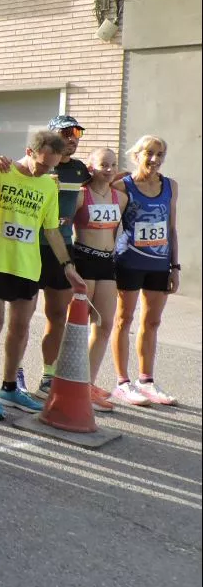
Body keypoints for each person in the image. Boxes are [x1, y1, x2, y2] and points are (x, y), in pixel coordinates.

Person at [0, 130, 84, 420]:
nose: (45, 170)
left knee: (20, 328)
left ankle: (9, 388)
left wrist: (67, 265)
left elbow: (51, 229)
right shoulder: (1, 171)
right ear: (29, 151)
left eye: (51, 166)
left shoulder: (49, 186)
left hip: (28, 265)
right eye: (41, 163)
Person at [111, 135, 179, 406]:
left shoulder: (171, 186)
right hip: (129, 261)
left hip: (159, 264)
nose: (155, 159)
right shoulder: (123, 186)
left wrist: (175, 266)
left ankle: (146, 380)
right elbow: (109, 222)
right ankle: (122, 383)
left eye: (160, 154)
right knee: (123, 320)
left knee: (152, 322)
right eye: (149, 153)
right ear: (136, 155)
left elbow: (172, 228)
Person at [28, 115, 92, 398]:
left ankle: (48, 375)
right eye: (66, 132)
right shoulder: (34, 164)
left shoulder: (80, 170)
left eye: (77, 132)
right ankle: (13, 376)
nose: (72, 137)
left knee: (56, 314)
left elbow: (108, 179)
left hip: (61, 248)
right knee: (22, 316)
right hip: (29, 247)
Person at [70, 147, 126, 412]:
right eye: (103, 164)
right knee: (78, 326)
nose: (109, 169)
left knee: (104, 325)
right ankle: (68, 381)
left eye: (113, 165)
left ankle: (87, 384)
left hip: (107, 263)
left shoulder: (121, 198)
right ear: (90, 166)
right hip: (83, 260)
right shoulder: (81, 195)